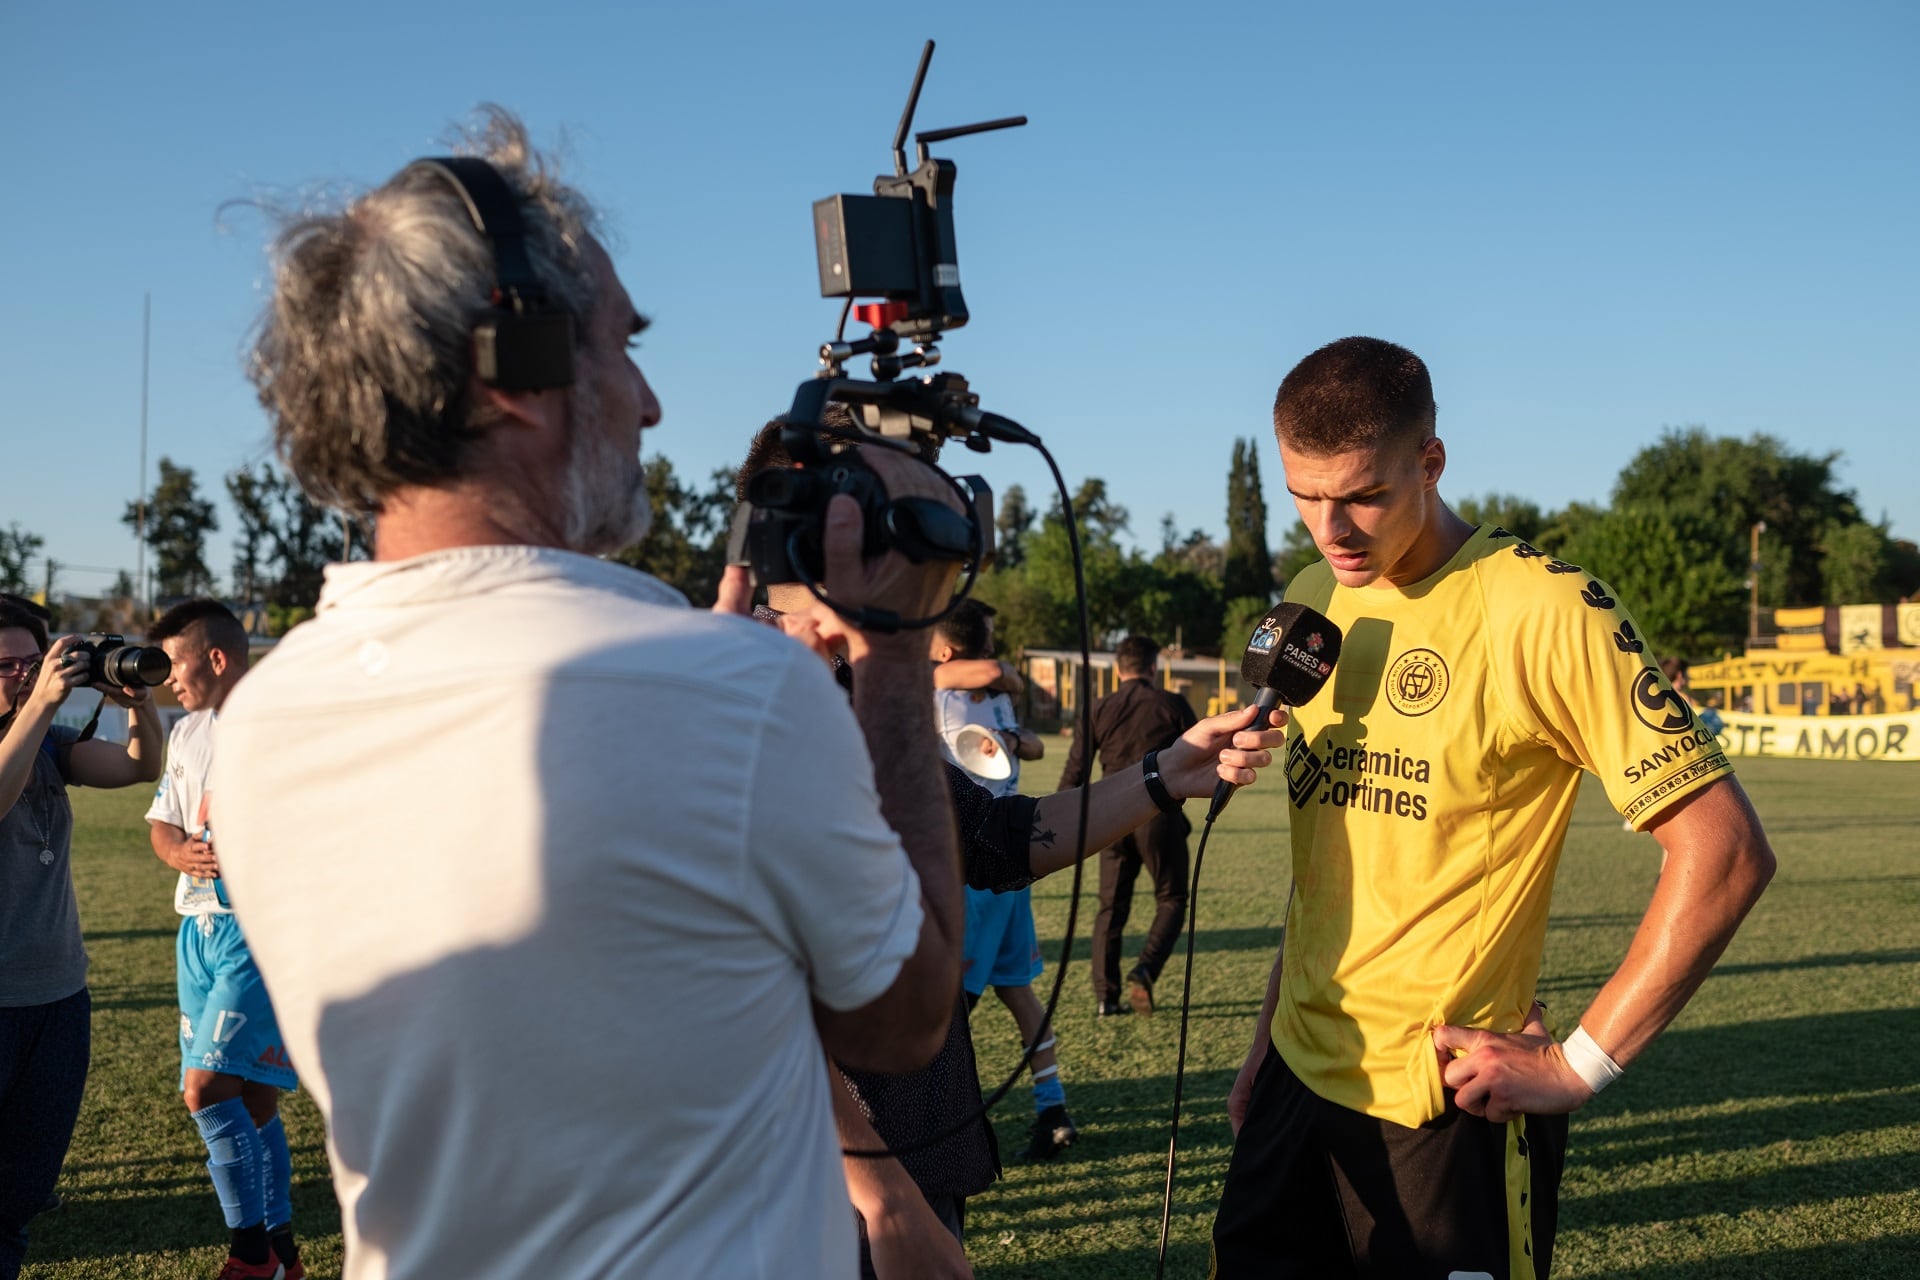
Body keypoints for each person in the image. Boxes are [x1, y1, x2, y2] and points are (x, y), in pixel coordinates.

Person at [211, 111, 972, 1280]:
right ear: (512, 375)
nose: (650, 401)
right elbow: (906, 1016)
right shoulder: (733, 694)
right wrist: (897, 646)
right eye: (625, 343)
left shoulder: (261, 720)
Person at [1210, 337, 1776, 1278]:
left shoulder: (1542, 610)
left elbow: (1725, 851)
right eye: (1303, 495)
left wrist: (1576, 1066)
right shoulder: (1313, 600)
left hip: (1439, 1102)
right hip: (1293, 1085)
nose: (1330, 528)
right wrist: (1269, 1042)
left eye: (1362, 495)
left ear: (1430, 463)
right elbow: (1335, 862)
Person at [735, 422, 1290, 1277]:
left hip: (919, 1137)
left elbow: (1000, 837)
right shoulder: (725, 702)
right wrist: (878, 1192)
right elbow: (738, 987)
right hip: (801, 1175)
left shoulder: (861, 685)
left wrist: (1165, 773)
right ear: (800, 533)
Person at [0, 598, 164, 1279]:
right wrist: (39, 703)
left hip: (60, 996)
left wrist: (137, 702)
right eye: (4, 666)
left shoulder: (52, 746)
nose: (19, 675)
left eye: (30, 663)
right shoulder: (33, 730)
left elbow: (138, 767)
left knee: (19, 1197)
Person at [144, 600, 303, 1280]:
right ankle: (287, 1256)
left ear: (216, 658)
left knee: (205, 1089)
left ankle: (248, 1258)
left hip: (259, 928)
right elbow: (162, 823)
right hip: (197, 931)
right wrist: (178, 850)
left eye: (176, 665)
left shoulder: (289, 725)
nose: (168, 681)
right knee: (252, 1098)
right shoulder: (186, 733)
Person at [930, 600, 1074, 1161]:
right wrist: (1005, 675)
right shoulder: (938, 685)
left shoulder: (990, 696)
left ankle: (951, 1118)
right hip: (980, 848)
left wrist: (1013, 742)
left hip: (985, 860)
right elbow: (992, 671)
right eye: (987, 638)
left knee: (957, 1000)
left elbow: (1032, 744)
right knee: (1015, 990)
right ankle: (1051, 1107)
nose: (994, 649)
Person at [1057, 633, 1198, 1018]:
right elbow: (1199, 757)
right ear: (1153, 667)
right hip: (1158, 815)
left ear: (1119, 669)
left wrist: (1063, 826)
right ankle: (1145, 969)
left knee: (1110, 908)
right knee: (1171, 899)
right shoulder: (1171, 704)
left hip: (1110, 818)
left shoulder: (1098, 707)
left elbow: (1074, 774)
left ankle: (1106, 997)